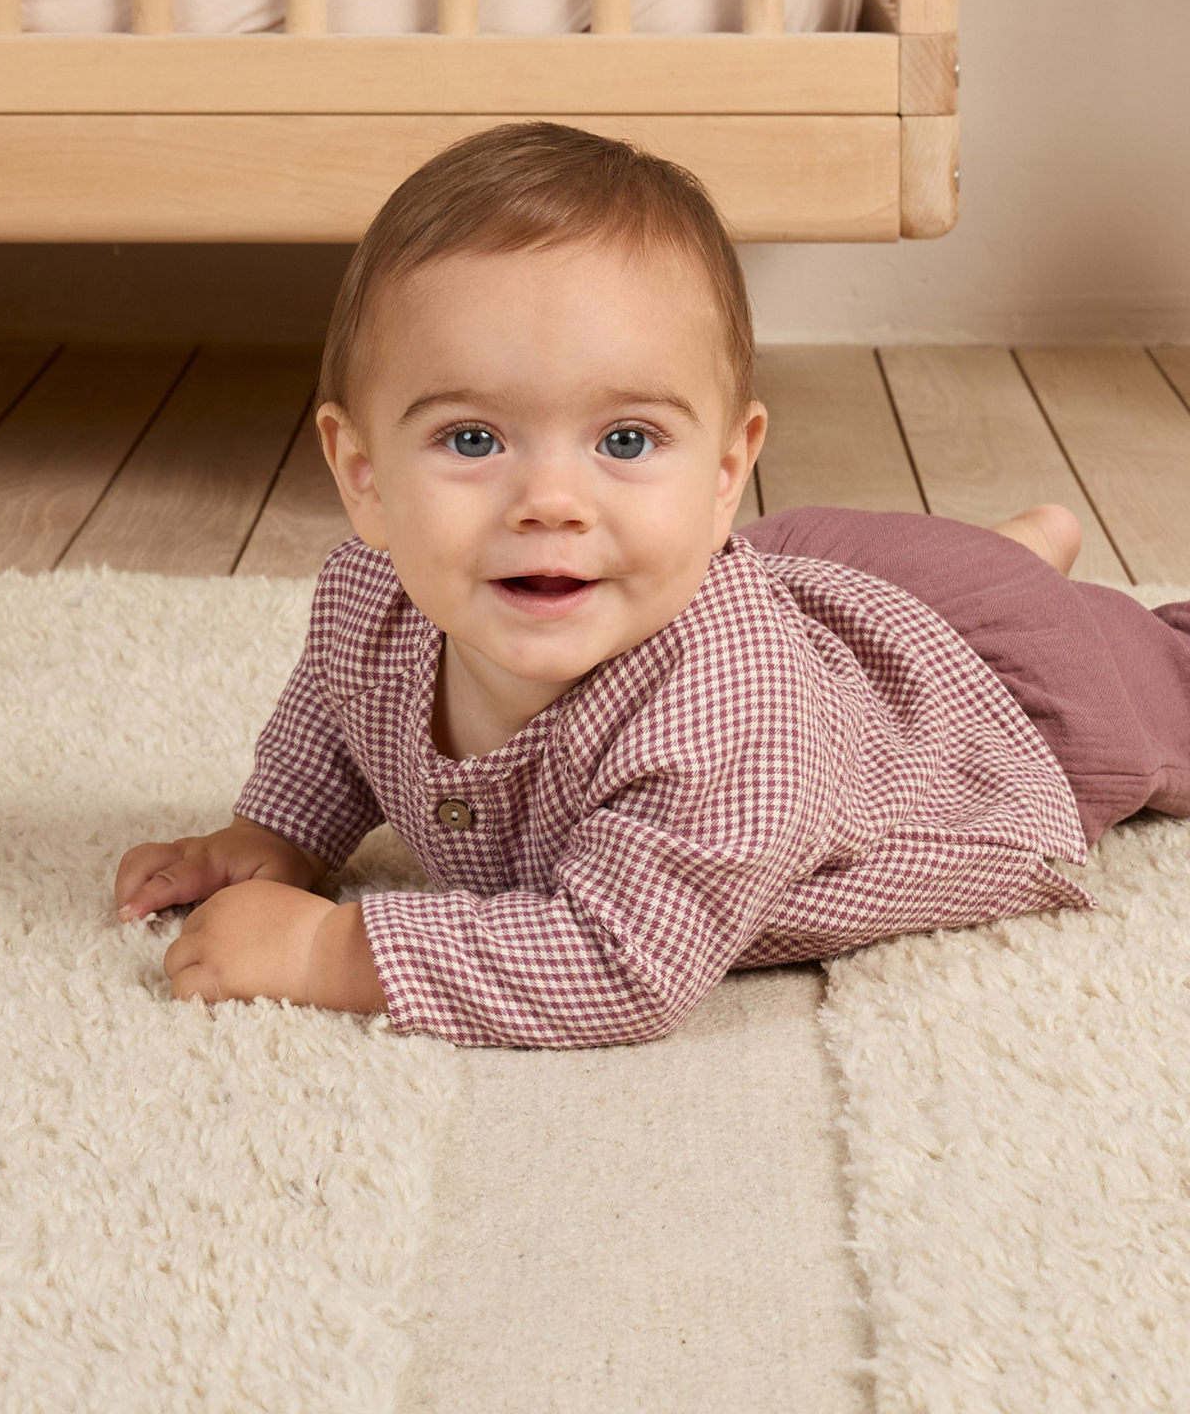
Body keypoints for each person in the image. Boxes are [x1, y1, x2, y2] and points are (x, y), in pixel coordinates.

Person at [115, 124, 1190, 1047]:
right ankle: (997, 557)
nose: (550, 500)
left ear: (727, 471)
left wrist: (329, 949)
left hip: (1011, 703)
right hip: (824, 596)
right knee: (832, 575)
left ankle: (1015, 579)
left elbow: (623, 960)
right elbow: (338, 718)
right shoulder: (373, 600)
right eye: (473, 436)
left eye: (625, 437)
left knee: (1139, 680)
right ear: (364, 478)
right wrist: (282, 831)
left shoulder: (729, 713)